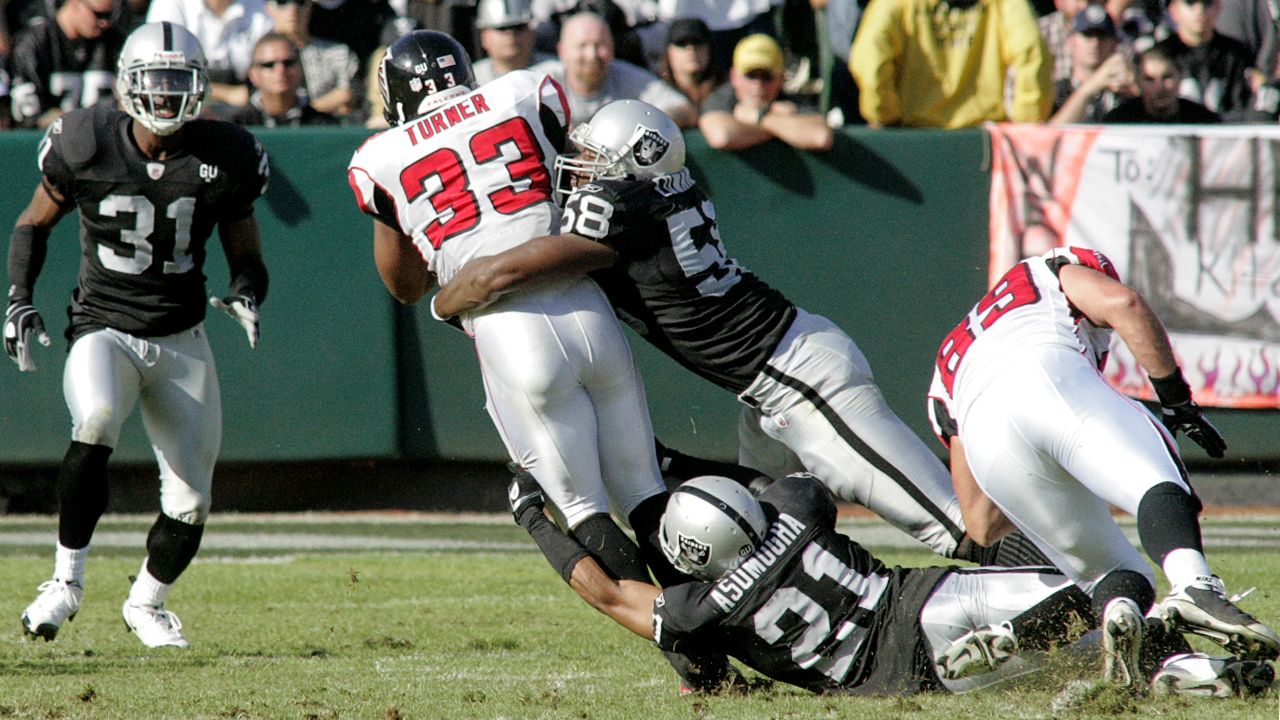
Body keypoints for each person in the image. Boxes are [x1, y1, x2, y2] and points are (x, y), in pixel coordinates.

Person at [433, 100, 1046, 570]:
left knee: (963, 528)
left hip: (800, 384)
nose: (584, 166)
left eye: (598, 156)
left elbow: (503, 272)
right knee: (772, 527)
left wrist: (444, 303)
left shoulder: (625, 207)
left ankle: (1082, 601)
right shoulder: (664, 192)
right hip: (774, 385)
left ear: (630, 165)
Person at [346, 30, 728, 693]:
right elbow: (584, 175)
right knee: (644, 490)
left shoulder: (378, 156)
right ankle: (725, 635)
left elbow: (404, 286)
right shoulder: (526, 90)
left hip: (507, 332)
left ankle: (700, 663)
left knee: (581, 511)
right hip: (587, 305)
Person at [508, 468, 1277, 695]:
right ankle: (1176, 647)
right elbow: (795, 484)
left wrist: (535, 518)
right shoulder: (796, 513)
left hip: (900, 677)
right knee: (1108, 586)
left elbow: (603, 590)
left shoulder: (699, 606)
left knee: (1066, 666)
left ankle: (1170, 674)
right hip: (925, 598)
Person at [9, 21, 270, 648]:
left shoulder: (225, 154)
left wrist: (246, 294)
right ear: (127, 83)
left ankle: (146, 603)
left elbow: (248, 257)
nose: (167, 95)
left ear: (201, 85)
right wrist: (18, 299)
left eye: (180, 81)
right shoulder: (85, 139)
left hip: (182, 335)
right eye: (156, 81)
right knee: (96, 418)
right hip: (104, 324)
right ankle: (64, 583)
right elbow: (31, 226)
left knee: (192, 502)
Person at [926, 246, 1280, 687]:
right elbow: (1124, 304)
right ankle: (1195, 585)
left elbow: (980, 522)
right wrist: (1177, 400)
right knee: (1158, 471)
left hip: (986, 440)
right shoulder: (1043, 271)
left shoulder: (949, 361)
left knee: (1117, 578)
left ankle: (1022, 635)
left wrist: (1058, 470)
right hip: (1044, 371)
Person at [850, 0, 1052, 128]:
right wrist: (1028, 119)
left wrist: (884, 114)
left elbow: (870, 58)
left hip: (912, 135)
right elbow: (1032, 51)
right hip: (984, 140)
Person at [533, 11, 696, 128]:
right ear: (562, 51)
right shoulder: (540, 82)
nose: (592, 55)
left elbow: (683, 108)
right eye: (582, 46)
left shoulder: (630, 78)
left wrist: (637, 127)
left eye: (600, 45)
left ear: (612, 48)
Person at [697, 34, 833, 151]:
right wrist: (784, 126)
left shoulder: (787, 100)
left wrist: (761, 117)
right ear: (734, 77)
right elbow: (722, 136)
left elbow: (821, 137)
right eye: (750, 75)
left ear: (781, 79)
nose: (758, 85)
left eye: (766, 76)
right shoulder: (721, 98)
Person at [7, 0, 125, 128]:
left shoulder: (115, 43)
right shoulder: (34, 43)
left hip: (102, 142)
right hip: (46, 141)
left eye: (111, 15)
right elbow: (31, 113)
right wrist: (80, 126)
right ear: (75, 3)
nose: (105, 23)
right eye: (99, 15)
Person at [144, 0, 274, 116]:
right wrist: (226, 94)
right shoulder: (170, 4)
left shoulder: (259, 8)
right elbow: (162, 75)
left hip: (246, 107)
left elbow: (270, 64)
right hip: (182, 102)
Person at [1153, 0, 1256, 119]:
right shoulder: (1161, 55)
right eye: (1190, 3)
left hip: (1225, 133)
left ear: (1219, 7)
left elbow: (1241, 108)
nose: (1199, 11)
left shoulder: (1237, 54)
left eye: (1207, 3)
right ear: (1173, 10)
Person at [262, 0, 361, 117]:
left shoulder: (339, 53)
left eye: (300, 2)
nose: (293, 9)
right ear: (268, 8)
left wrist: (303, 113)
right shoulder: (260, 56)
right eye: (282, 2)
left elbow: (348, 97)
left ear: (310, 7)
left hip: (326, 130)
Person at [232, 32, 339, 126]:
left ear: (301, 69)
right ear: (253, 75)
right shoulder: (237, 127)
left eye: (288, 63)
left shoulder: (324, 126)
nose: (280, 70)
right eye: (269, 65)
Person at [1050, 5, 1134, 123]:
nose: (1095, 43)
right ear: (1070, 41)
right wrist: (1089, 89)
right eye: (1087, 35)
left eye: (1102, 36)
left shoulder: (1123, 93)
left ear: (1114, 44)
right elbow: (1052, 134)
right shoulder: (1055, 91)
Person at [1102, 44, 1222, 122]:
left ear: (1180, 78)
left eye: (1167, 77)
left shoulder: (1203, 121)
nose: (1159, 88)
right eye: (1150, 79)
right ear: (1138, 82)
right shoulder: (1119, 121)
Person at [473, 0, 555, 84]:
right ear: (484, 36)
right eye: (502, 28)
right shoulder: (472, 79)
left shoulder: (557, 72)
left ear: (532, 32)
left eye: (518, 27)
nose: (511, 34)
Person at [657, 17, 721, 111]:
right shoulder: (656, 90)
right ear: (669, 52)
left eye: (697, 42)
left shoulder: (731, 89)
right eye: (682, 44)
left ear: (709, 49)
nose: (691, 49)